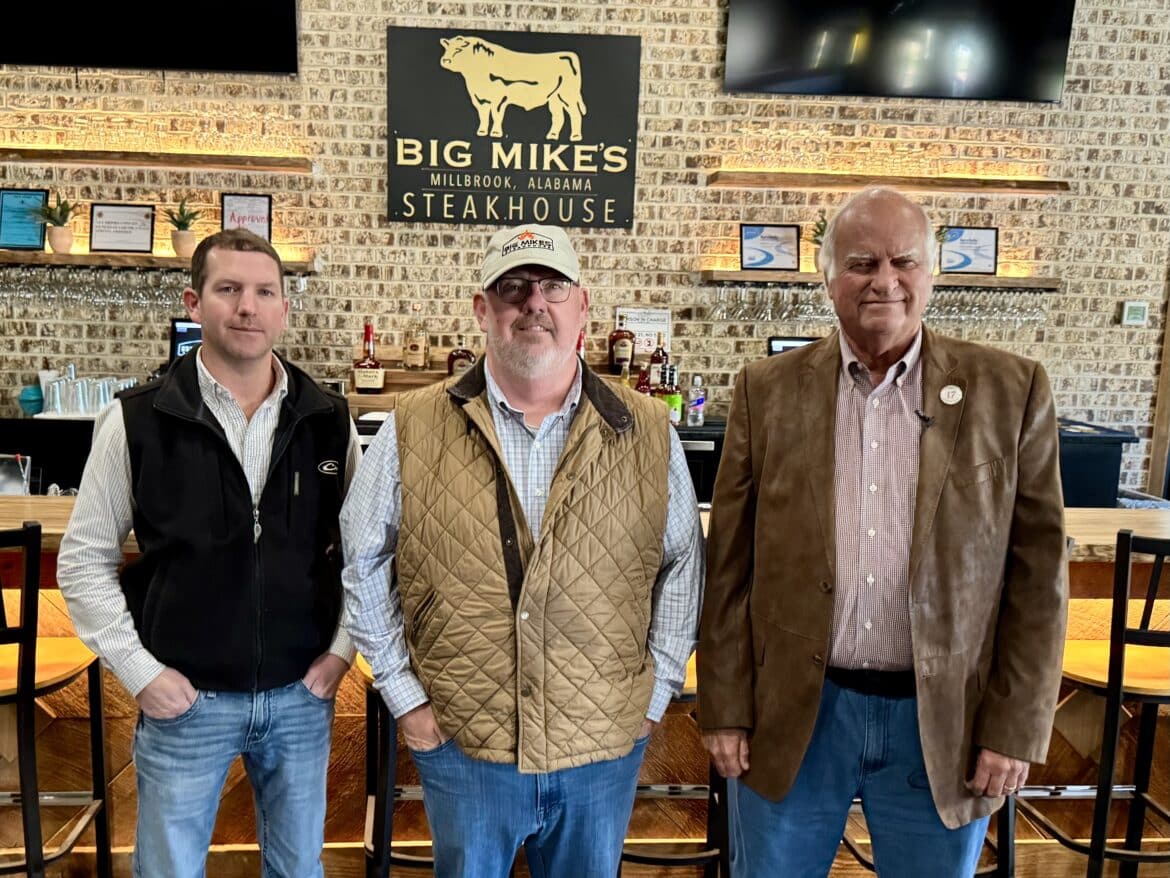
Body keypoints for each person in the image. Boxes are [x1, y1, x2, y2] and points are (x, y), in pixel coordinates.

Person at [698, 187, 1068, 877]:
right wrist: (723, 706)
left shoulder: (1010, 391)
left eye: (903, 261)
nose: (884, 280)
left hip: (945, 722)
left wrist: (1016, 725)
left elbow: (1038, 579)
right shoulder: (764, 390)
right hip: (794, 715)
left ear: (933, 273)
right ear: (827, 277)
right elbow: (728, 569)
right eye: (862, 262)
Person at [341, 223, 704, 877]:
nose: (534, 302)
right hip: (465, 746)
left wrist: (654, 699)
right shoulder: (410, 426)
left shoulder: (649, 431)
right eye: (512, 288)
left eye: (552, 286)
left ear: (582, 306)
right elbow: (362, 562)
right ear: (482, 309)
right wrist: (405, 698)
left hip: (601, 750)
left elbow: (682, 564)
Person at [58, 228, 360, 878]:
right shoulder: (135, 420)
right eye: (229, 289)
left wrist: (341, 651)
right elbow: (82, 561)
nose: (248, 307)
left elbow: (365, 555)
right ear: (194, 303)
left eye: (264, 292)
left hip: (300, 697)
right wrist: (141, 673)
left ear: (284, 308)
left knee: (298, 871)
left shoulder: (330, 420)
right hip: (185, 701)